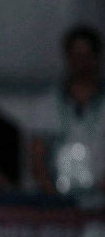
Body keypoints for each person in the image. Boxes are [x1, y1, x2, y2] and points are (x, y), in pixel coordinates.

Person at [27, 25, 105, 209]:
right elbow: (36, 158)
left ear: (97, 58)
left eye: (86, 55)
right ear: (67, 57)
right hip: (57, 204)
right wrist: (52, 195)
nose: (81, 62)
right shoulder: (47, 105)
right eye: (76, 55)